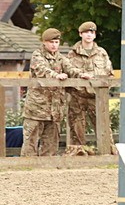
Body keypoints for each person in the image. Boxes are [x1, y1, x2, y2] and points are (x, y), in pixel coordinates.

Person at [21, 29, 86, 157]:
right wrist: (56, 75)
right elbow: (42, 70)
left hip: (55, 110)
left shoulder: (60, 58)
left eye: (56, 42)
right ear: (44, 42)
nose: (54, 45)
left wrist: (81, 74)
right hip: (37, 109)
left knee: (51, 144)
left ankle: (47, 171)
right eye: (51, 42)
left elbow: (70, 68)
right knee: (30, 142)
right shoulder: (37, 55)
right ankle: (26, 169)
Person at [64, 21, 115, 156]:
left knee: (103, 127)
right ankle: (78, 157)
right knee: (76, 128)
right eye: (86, 32)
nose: (89, 35)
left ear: (95, 35)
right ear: (80, 34)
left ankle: (108, 155)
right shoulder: (72, 54)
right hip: (77, 96)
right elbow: (68, 71)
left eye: (91, 32)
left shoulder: (101, 53)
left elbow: (109, 72)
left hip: (96, 96)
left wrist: (94, 78)